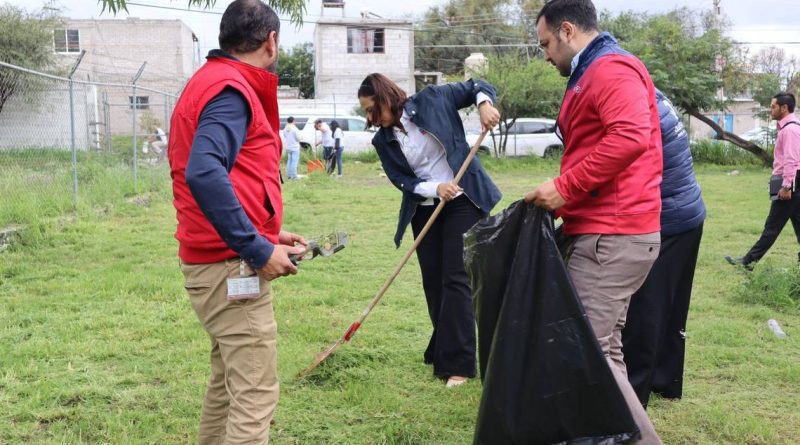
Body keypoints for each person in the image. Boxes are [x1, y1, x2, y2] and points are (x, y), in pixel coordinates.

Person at [167, 1, 307, 443]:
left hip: (214, 261)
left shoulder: (212, 82)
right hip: (229, 266)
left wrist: (268, 232)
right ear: (272, 41)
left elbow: (228, 172)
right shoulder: (231, 88)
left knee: (228, 388)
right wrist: (258, 248)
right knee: (254, 394)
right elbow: (204, 172)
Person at [524, 1, 664, 443]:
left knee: (587, 356)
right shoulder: (593, 72)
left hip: (613, 236)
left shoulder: (611, 69)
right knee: (607, 353)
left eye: (546, 43)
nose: (545, 55)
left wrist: (566, 188)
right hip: (607, 231)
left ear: (567, 31)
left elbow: (630, 136)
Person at [357, 73, 502, 388]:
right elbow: (403, 181)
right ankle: (443, 347)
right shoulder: (382, 140)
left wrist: (484, 105)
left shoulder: (434, 98)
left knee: (455, 278)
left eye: (372, 109)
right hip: (426, 205)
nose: (370, 118)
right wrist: (436, 188)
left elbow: (477, 85)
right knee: (434, 283)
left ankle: (459, 365)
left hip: (464, 198)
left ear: (386, 98)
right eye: (366, 112)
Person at [622, 90, 706, 409]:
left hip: (670, 218)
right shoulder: (651, 96)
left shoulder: (632, 103)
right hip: (689, 212)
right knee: (671, 308)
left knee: (647, 309)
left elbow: (629, 165)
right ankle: (666, 381)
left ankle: (634, 393)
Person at [725, 92, 800, 270]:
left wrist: (786, 186)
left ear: (784, 108)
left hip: (791, 183)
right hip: (794, 182)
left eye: (773, 106)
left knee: (772, 227)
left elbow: (792, 160)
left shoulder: (790, 130)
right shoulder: (789, 127)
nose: (770, 110)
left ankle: (748, 262)